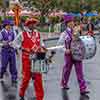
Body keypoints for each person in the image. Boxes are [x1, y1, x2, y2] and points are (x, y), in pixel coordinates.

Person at [57, 15, 89, 95]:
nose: (72, 23)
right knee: (67, 70)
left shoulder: (76, 32)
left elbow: (81, 41)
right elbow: (59, 45)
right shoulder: (64, 34)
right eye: (70, 22)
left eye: (72, 22)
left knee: (80, 71)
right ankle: (64, 83)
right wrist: (65, 50)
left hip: (77, 54)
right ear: (67, 23)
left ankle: (83, 89)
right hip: (68, 55)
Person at [19, 18, 46, 100]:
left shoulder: (38, 33)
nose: (33, 25)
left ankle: (40, 97)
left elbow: (41, 43)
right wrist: (23, 48)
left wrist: (43, 47)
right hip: (27, 59)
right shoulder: (22, 34)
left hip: (37, 58)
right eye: (31, 24)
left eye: (34, 23)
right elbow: (15, 44)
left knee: (38, 79)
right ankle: (22, 92)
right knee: (26, 79)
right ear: (28, 25)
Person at [0, 19, 17, 85]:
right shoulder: (1, 32)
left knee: (13, 65)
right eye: (8, 25)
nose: (9, 26)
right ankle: (1, 74)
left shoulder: (13, 32)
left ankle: (14, 78)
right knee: (4, 65)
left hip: (12, 50)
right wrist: (3, 43)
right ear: (5, 26)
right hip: (5, 51)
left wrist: (14, 44)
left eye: (10, 25)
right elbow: (0, 42)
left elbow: (15, 41)